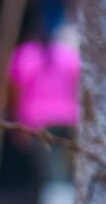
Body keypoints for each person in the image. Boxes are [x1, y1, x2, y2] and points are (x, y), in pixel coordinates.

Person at [8, 23, 81, 191]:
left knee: (50, 169)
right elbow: (78, 84)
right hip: (68, 119)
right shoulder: (67, 56)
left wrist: (17, 121)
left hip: (38, 121)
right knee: (61, 165)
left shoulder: (26, 54)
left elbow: (15, 90)